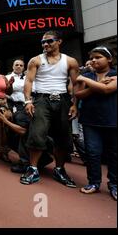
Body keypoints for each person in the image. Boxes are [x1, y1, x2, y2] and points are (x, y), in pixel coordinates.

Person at [21, 31, 79, 187]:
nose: (45, 44)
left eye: (49, 41)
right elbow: (28, 82)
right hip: (41, 99)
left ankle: (59, 169)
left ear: (59, 41)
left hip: (63, 99)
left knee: (63, 136)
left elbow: (76, 84)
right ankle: (32, 169)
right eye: (43, 42)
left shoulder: (70, 61)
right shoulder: (35, 60)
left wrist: (74, 104)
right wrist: (28, 101)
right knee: (37, 133)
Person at [76, 47, 117, 201]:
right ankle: (94, 183)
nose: (93, 60)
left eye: (98, 57)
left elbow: (107, 90)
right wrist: (96, 84)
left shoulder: (114, 74)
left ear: (109, 59)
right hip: (90, 121)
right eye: (92, 58)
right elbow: (78, 94)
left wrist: (87, 82)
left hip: (113, 120)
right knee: (93, 153)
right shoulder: (87, 74)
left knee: (114, 154)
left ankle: (114, 184)